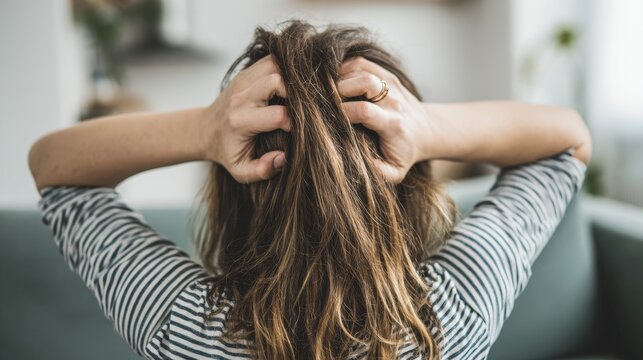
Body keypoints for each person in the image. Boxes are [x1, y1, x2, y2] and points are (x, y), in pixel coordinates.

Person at [29, 21, 591, 360]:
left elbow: (56, 171)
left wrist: (204, 127)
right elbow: (566, 144)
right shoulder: (450, 319)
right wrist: (425, 127)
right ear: (408, 181)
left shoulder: (186, 330)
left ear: (236, 180)